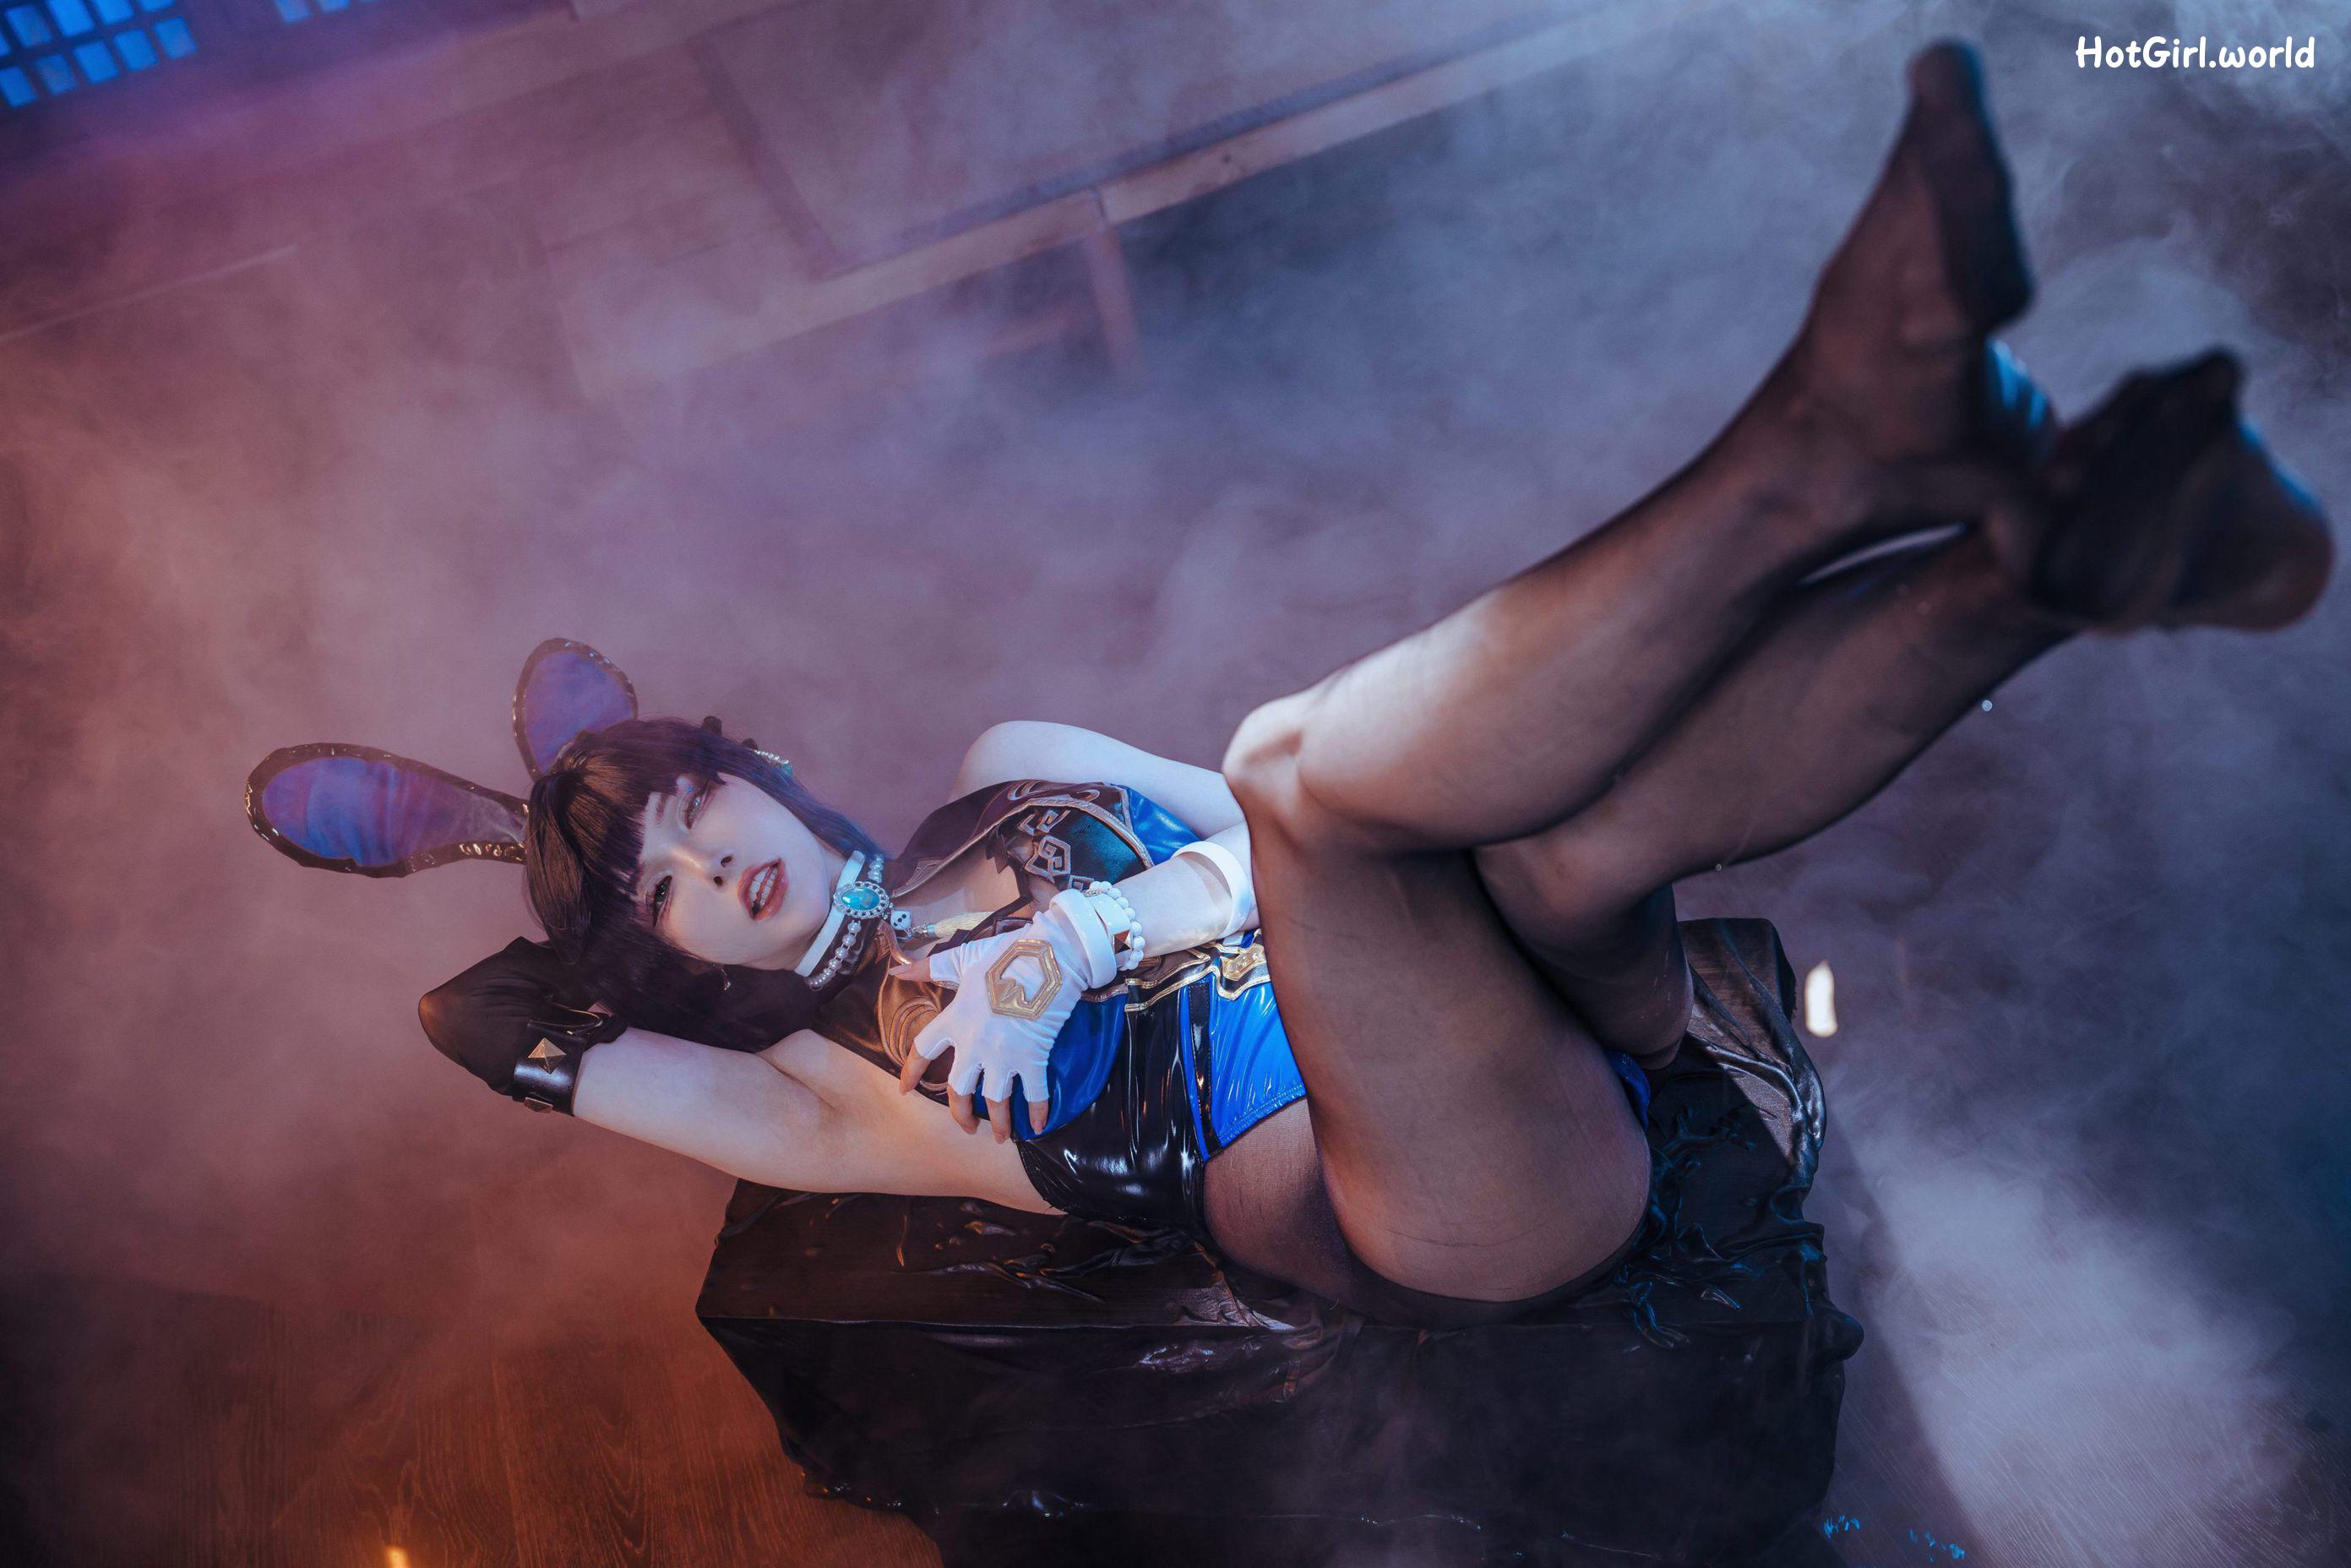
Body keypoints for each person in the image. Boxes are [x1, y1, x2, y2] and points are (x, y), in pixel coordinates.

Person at [260, 43, 2330, 1326]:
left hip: (1559, 982)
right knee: (1305, 772)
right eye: (668, 895)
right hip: (1421, 1186)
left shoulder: (1011, 768)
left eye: (701, 814)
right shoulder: (810, 1094)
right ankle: (1845, 441)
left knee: (1527, 827)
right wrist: (510, 832)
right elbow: (485, 1023)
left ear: (772, 771)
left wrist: (1077, 938)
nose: (717, 872)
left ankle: (2055, 563)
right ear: (675, 960)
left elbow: (1297, 864)